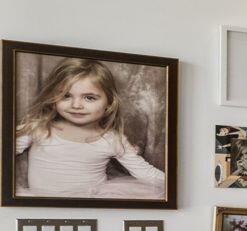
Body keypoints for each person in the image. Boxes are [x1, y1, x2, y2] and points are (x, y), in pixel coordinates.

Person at [12, 57, 167, 200]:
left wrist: (177, 186)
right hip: (41, 202)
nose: (76, 105)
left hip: (91, 204)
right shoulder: (39, 127)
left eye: (89, 98)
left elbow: (145, 172)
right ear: (53, 98)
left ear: (109, 102)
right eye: (66, 96)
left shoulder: (111, 139)